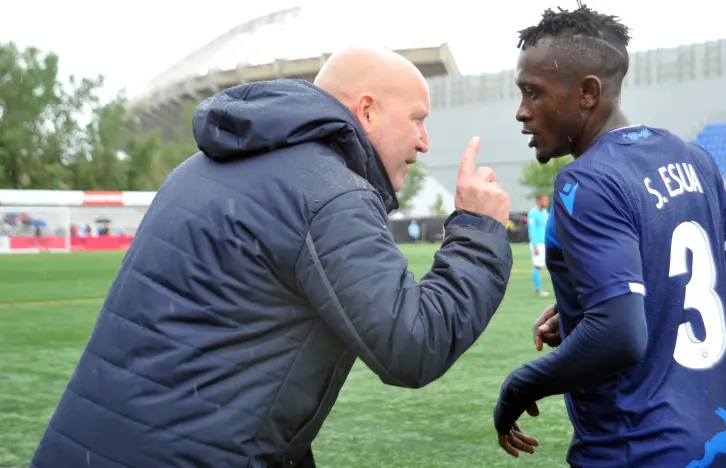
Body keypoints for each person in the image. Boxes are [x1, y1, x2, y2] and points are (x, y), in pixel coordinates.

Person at [30, 46, 513, 468]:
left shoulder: (207, 166)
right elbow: (412, 346)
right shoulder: (326, 192)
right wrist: (477, 229)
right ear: (366, 111)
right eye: (417, 119)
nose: (424, 141)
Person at [492, 5, 726, 467]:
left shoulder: (588, 181)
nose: (521, 112)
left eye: (532, 94)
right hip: (716, 446)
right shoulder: (696, 160)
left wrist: (520, 385)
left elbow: (620, 336)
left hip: (634, 451)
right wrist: (595, 312)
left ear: (587, 93)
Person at [526, 193, 550, 296]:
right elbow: (532, 231)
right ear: (539, 201)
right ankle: (538, 290)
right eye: (545, 200)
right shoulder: (533, 213)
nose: (547, 202)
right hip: (538, 244)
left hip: (545, 243)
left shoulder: (545, 212)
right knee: (537, 266)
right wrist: (535, 246)